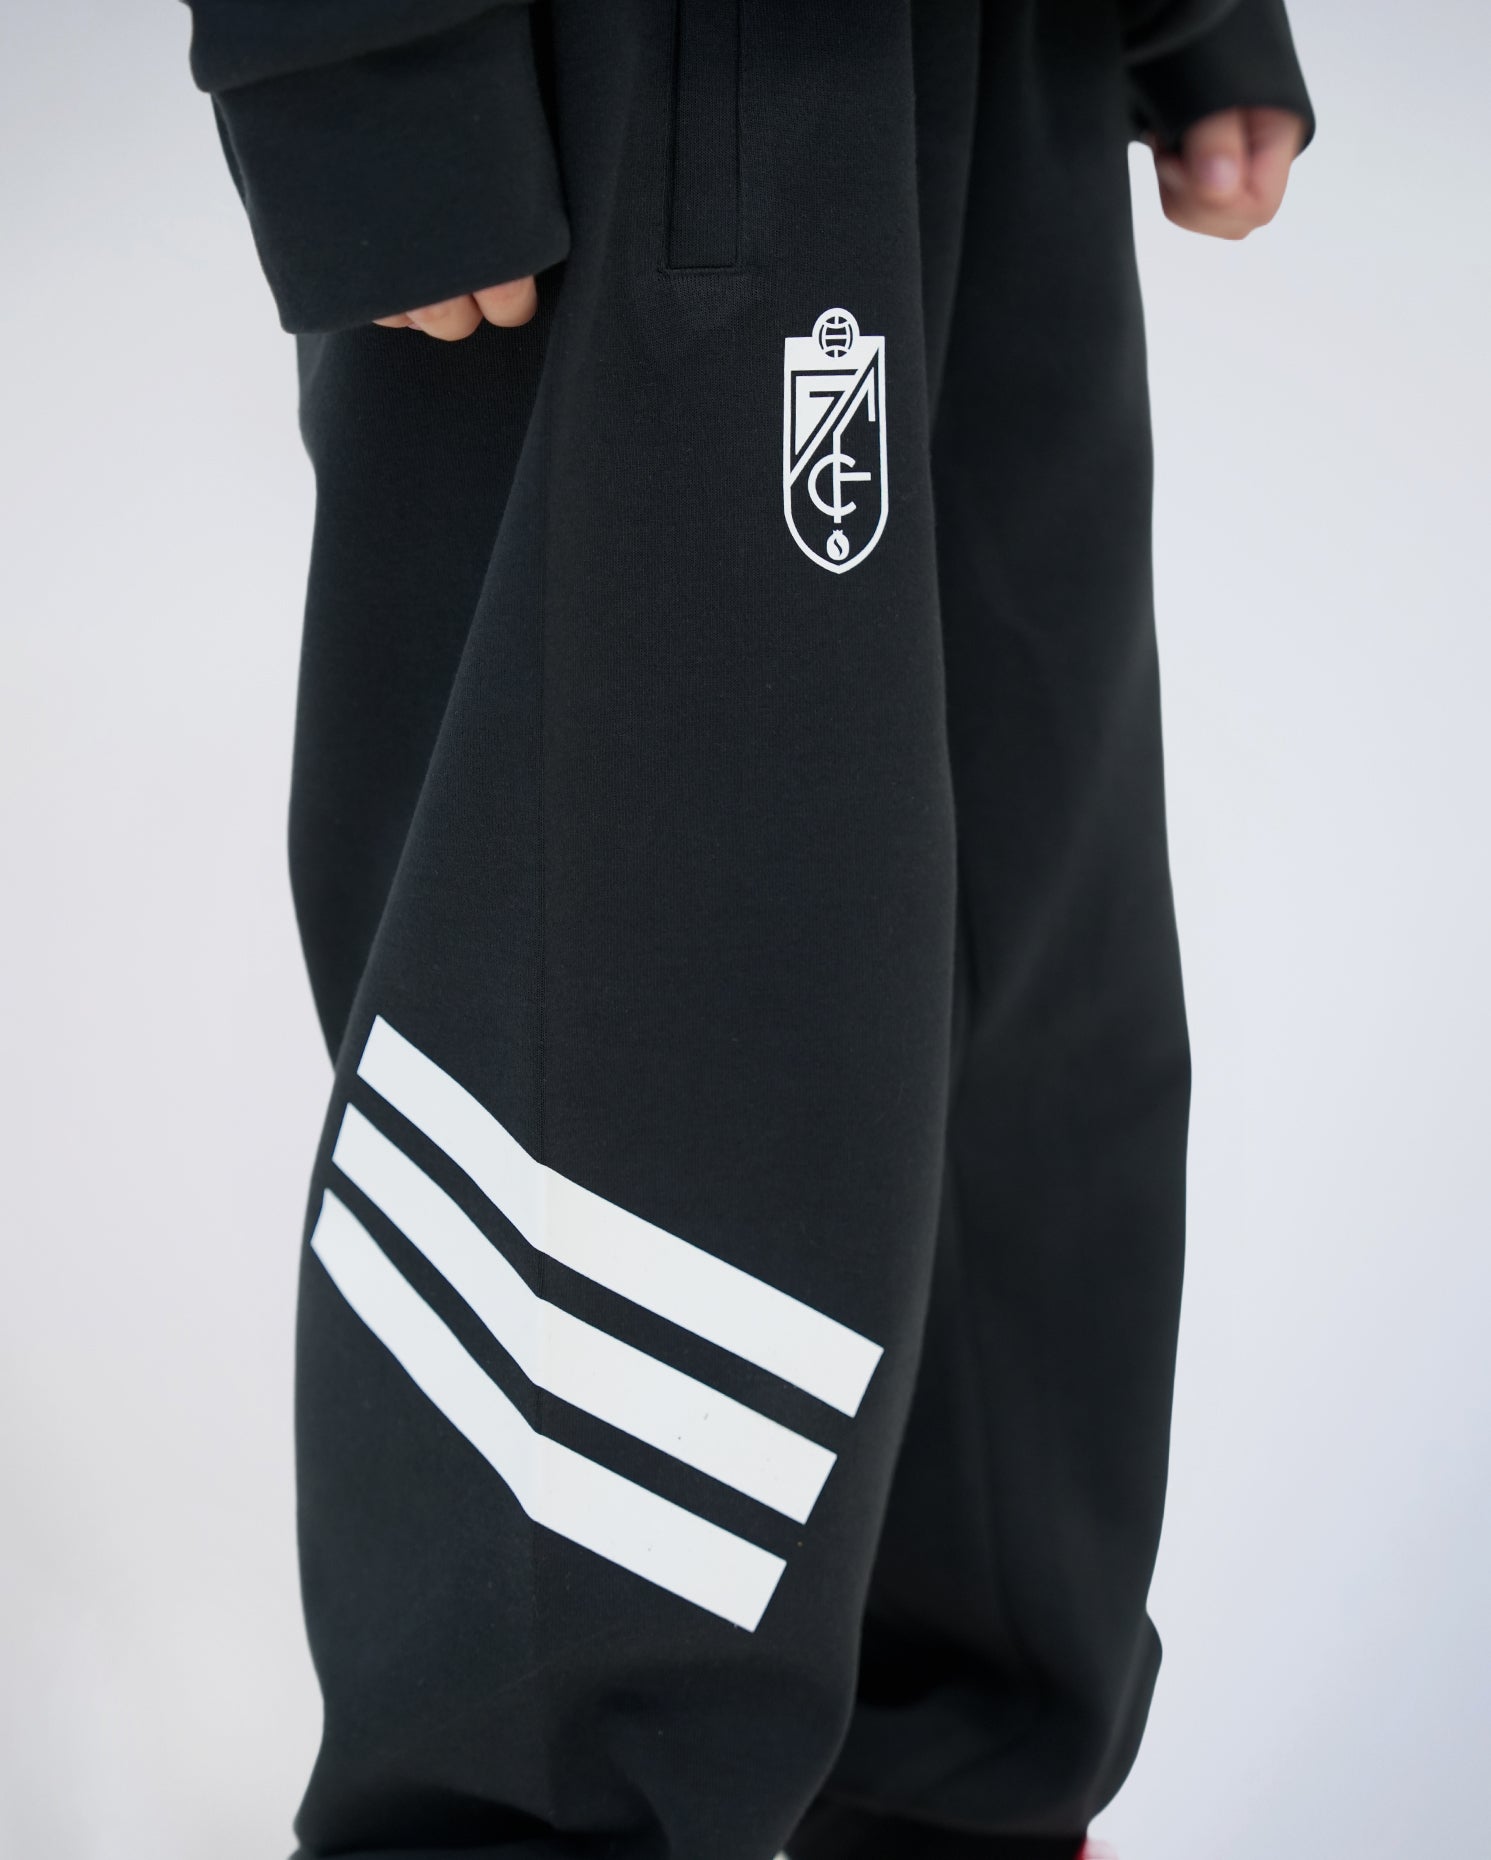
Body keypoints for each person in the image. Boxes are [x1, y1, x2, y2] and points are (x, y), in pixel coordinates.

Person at [183, 3, 1313, 1856]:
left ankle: (955, 1803)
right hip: (620, 87)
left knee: (1016, 1001)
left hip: (1016, 60)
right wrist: (361, 51)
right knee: (620, 1051)